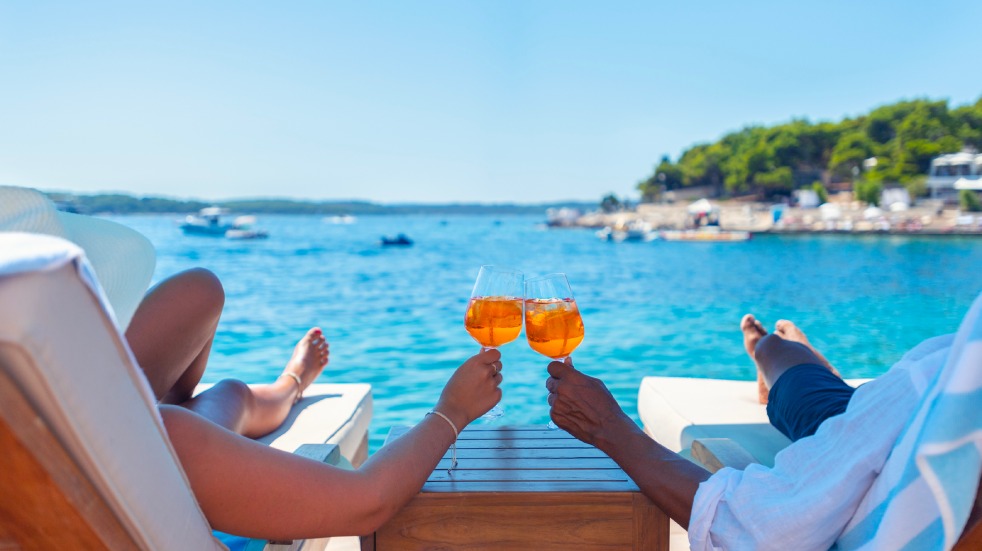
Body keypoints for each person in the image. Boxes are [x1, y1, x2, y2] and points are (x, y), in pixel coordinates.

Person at [546, 311, 982, 550]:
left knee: (787, 365)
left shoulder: (957, 379)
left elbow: (760, 529)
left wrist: (609, 427)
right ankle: (795, 362)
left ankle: (771, 353)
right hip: (888, 418)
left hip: (890, 419)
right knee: (813, 391)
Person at [125, 267, 505, 540]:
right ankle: (284, 384)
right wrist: (452, 411)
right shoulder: (170, 443)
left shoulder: (106, 421)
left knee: (203, 297)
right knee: (205, 407)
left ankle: (287, 384)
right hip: (157, 454)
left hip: (137, 418)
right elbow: (366, 502)